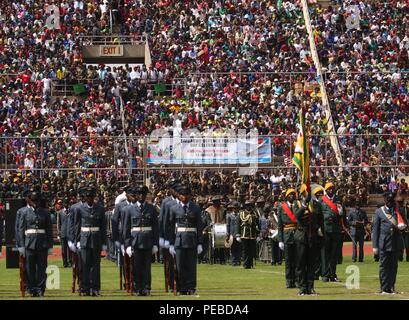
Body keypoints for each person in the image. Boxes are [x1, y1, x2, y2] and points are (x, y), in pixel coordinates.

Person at [123, 186, 159, 296]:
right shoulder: (129, 209)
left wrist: (155, 244)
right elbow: (126, 228)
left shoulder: (151, 208)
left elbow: (155, 227)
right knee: (137, 266)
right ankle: (138, 288)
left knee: (147, 267)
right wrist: (127, 245)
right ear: (136, 195)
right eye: (139, 194)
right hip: (136, 241)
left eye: (143, 194)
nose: (141, 196)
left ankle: (146, 288)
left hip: (148, 241)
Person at [168, 185, 203, 295]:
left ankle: (191, 287)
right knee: (180, 265)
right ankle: (181, 287)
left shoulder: (196, 208)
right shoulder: (174, 208)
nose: (185, 197)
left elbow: (199, 226)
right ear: (179, 196)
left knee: (191, 266)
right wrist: (170, 243)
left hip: (192, 239)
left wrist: (200, 243)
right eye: (182, 194)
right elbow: (170, 226)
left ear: (190, 195)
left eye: (187, 194)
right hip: (179, 239)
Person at [17, 191, 53, 297]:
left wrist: (50, 245)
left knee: (42, 267)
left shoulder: (45, 212)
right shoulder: (23, 212)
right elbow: (20, 229)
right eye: (33, 200)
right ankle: (31, 288)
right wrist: (21, 245)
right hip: (29, 243)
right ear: (29, 200)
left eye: (36, 200)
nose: (35, 202)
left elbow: (49, 230)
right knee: (29, 267)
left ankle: (40, 288)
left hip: (42, 243)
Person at [73, 187, 107, 296]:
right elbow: (77, 225)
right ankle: (85, 288)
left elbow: (103, 226)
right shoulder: (80, 209)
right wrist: (77, 240)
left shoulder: (100, 208)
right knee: (84, 265)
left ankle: (96, 288)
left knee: (96, 265)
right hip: (84, 239)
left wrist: (104, 242)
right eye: (88, 197)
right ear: (85, 197)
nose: (90, 199)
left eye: (91, 196)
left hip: (96, 239)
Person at [372, 192, 407, 294]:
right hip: (383, 243)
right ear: (385, 200)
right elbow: (376, 229)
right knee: (383, 266)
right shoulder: (379, 212)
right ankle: (384, 287)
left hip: (395, 243)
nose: (390, 201)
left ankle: (391, 286)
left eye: (391, 200)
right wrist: (375, 246)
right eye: (388, 200)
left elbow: (405, 223)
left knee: (393, 266)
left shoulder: (399, 210)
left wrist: (403, 226)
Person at [295, 184, 322, 296]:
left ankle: (310, 287)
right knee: (301, 263)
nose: (307, 194)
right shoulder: (297, 204)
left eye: (308, 192)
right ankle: (302, 288)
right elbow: (296, 216)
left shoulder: (316, 204)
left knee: (311, 264)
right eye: (305, 192)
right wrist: (304, 205)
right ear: (302, 194)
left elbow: (320, 219)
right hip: (301, 235)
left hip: (312, 236)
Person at [320, 182, 344, 282]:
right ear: (326, 190)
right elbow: (319, 214)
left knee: (334, 254)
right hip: (325, 230)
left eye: (332, 188)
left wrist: (341, 212)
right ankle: (325, 274)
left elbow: (342, 215)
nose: (330, 190)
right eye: (328, 189)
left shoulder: (338, 200)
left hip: (335, 230)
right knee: (325, 254)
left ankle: (332, 274)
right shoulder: (321, 200)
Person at [277, 188, 300, 288]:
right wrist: (280, 240)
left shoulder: (297, 205)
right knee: (288, 260)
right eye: (290, 195)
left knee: (297, 260)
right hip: (287, 236)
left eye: (293, 195)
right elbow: (280, 225)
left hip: (297, 235)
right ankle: (289, 280)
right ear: (286, 196)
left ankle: (296, 280)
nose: (292, 196)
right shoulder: (282, 207)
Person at [159, 180, 179, 291]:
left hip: (181, 234)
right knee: (170, 263)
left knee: (180, 261)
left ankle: (181, 282)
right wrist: (162, 237)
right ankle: (171, 283)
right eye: (173, 189)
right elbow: (162, 220)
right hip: (169, 235)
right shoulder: (166, 202)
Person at [236, 199, 259, 269]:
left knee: (251, 250)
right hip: (244, 234)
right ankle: (246, 264)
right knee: (245, 250)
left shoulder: (254, 213)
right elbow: (238, 224)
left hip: (252, 234)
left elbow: (257, 224)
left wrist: (257, 234)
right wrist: (238, 234)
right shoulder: (242, 213)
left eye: (250, 205)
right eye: (247, 206)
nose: (249, 207)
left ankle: (250, 264)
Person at [206, 195, 226, 264]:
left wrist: (222, 223)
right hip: (212, 229)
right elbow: (208, 220)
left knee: (222, 245)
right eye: (217, 201)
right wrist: (211, 224)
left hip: (221, 228)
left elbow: (224, 218)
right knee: (212, 245)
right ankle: (212, 259)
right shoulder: (209, 209)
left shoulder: (223, 209)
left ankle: (222, 259)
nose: (219, 203)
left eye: (219, 201)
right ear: (214, 202)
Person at [57, 198, 72, 267]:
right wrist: (59, 232)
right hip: (63, 233)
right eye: (65, 203)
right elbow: (58, 223)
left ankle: (70, 262)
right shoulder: (60, 212)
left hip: (70, 233)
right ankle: (64, 262)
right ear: (63, 204)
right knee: (63, 249)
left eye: (67, 203)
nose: (66, 204)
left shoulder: (71, 212)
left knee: (70, 249)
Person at [226, 201, 241, 266]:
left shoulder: (240, 215)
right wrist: (228, 234)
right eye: (234, 208)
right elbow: (228, 225)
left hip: (238, 234)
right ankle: (233, 260)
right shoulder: (229, 215)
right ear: (232, 208)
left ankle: (238, 260)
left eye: (237, 208)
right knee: (232, 248)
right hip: (232, 233)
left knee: (238, 248)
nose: (236, 209)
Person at [198, 196, 211, 264]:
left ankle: (204, 258)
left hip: (204, 233)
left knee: (205, 247)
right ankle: (198, 258)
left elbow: (208, 224)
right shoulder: (196, 214)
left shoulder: (206, 215)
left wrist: (205, 230)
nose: (202, 209)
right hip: (198, 233)